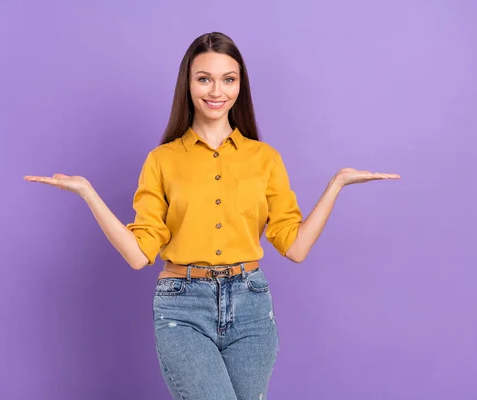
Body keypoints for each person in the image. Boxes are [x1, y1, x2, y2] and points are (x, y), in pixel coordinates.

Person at [24, 32, 400, 399]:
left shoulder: (264, 159)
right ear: (188, 85)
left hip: (251, 306)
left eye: (228, 79)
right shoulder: (163, 160)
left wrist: (336, 185)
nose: (216, 91)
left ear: (240, 85)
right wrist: (88, 193)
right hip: (182, 306)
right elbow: (139, 254)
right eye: (204, 79)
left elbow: (295, 246)